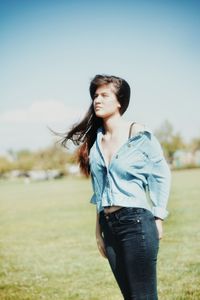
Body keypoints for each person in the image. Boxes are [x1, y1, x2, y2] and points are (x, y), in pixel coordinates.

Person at [61, 74, 171, 300]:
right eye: (95, 96)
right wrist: (98, 232)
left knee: (143, 297)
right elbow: (99, 191)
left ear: (119, 101)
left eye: (104, 95)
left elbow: (161, 175)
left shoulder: (138, 134)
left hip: (136, 222)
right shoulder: (96, 143)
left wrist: (158, 217)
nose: (96, 100)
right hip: (109, 227)